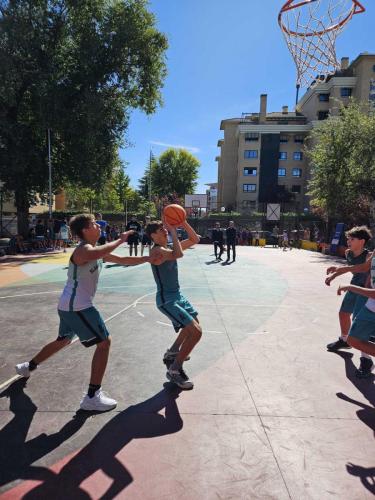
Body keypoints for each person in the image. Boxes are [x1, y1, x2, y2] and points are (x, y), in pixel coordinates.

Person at [15, 214, 155, 411]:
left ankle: (27, 367)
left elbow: (123, 259)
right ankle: (92, 396)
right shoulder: (83, 250)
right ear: (84, 231)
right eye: (94, 224)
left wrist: (149, 258)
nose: (98, 225)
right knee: (104, 343)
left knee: (62, 340)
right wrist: (121, 239)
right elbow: (100, 252)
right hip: (78, 306)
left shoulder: (95, 251)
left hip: (69, 305)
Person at [146, 219, 202, 390]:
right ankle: (174, 370)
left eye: (164, 228)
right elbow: (178, 254)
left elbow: (195, 239)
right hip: (167, 300)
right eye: (160, 229)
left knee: (194, 324)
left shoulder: (169, 247)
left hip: (177, 295)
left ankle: (173, 351)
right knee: (196, 332)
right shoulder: (157, 251)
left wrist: (183, 222)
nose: (164, 230)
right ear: (152, 235)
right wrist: (174, 232)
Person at [325, 226, 374, 378]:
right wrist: (337, 272)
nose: (348, 241)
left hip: (364, 291)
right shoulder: (349, 253)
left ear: (362, 241)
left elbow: (364, 269)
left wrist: (341, 271)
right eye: (348, 238)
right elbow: (357, 268)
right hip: (354, 287)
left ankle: (365, 359)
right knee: (343, 313)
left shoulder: (368, 255)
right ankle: (344, 339)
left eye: (352, 239)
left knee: (359, 324)